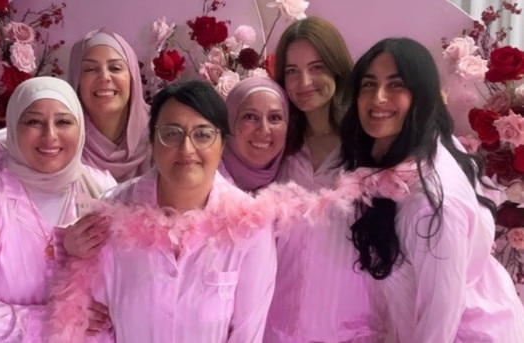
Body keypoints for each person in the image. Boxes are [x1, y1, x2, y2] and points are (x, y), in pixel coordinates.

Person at [48, 80, 277, 343]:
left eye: (203, 134)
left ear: (222, 144)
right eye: (171, 133)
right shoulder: (114, 211)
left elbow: (248, 334)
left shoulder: (249, 224)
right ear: (153, 143)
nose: (187, 149)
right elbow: (96, 324)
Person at [338, 37, 524, 341]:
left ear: (421, 95)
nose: (378, 97)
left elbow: (439, 323)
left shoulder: (430, 204)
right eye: (368, 84)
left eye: (396, 85)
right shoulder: (421, 143)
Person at [0, 27, 151, 272]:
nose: (104, 77)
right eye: (89, 69)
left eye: (116, 67)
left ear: (132, 74)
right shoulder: (60, 129)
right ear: (76, 79)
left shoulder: (161, 130)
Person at [0, 77, 117, 342]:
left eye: (63, 121)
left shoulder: (103, 190)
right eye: (33, 121)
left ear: (81, 128)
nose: (50, 135)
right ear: (13, 129)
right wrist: (61, 319)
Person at [264, 16, 382, 342]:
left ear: (337, 68)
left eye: (316, 67)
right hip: (278, 321)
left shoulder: (367, 147)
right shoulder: (276, 145)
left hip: (349, 323)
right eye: (291, 71)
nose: (304, 81)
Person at [220, 76, 289, 192]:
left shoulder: (296, 177)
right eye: (250, 117)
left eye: (274, 117)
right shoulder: (202, 180)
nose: (264, 130)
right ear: (230, 122)